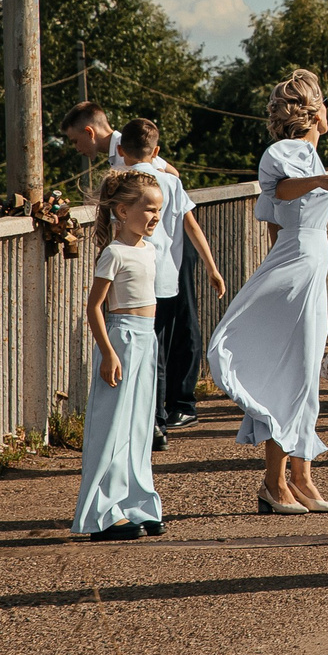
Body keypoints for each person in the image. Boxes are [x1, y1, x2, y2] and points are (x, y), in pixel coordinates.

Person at [207, 70, 328, 515]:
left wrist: (324, 180)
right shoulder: (286, 153)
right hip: (296, 263)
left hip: (311, 264)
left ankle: (301, 476)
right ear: (314, 112)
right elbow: (280, 193)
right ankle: (276, 484)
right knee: (291, 372)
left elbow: (276, 216)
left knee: (306, 373)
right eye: (326, 104)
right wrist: (322, 181)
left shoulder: (313, 157)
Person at [113, 118, 224, 437]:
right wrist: (211, 267)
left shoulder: (121, 184)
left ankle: (143, 416)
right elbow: (191, 226)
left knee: (139, 350)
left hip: (132, 279)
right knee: (161, 350)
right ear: (157, 151)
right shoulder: (170, 183)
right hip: (167, 278)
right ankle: (159, 418)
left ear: (121, 150)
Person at [74, 172, 167, 541]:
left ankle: (138, 505)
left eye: (159, 209)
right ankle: (102, 513)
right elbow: (95, 307)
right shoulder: (113, 253)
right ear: (123, 210)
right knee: (112, 428)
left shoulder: (149, 249)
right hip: (123, 339)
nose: (155, 216)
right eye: (148, 209)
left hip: (148, 339)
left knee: (140, 427)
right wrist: (108, 353)